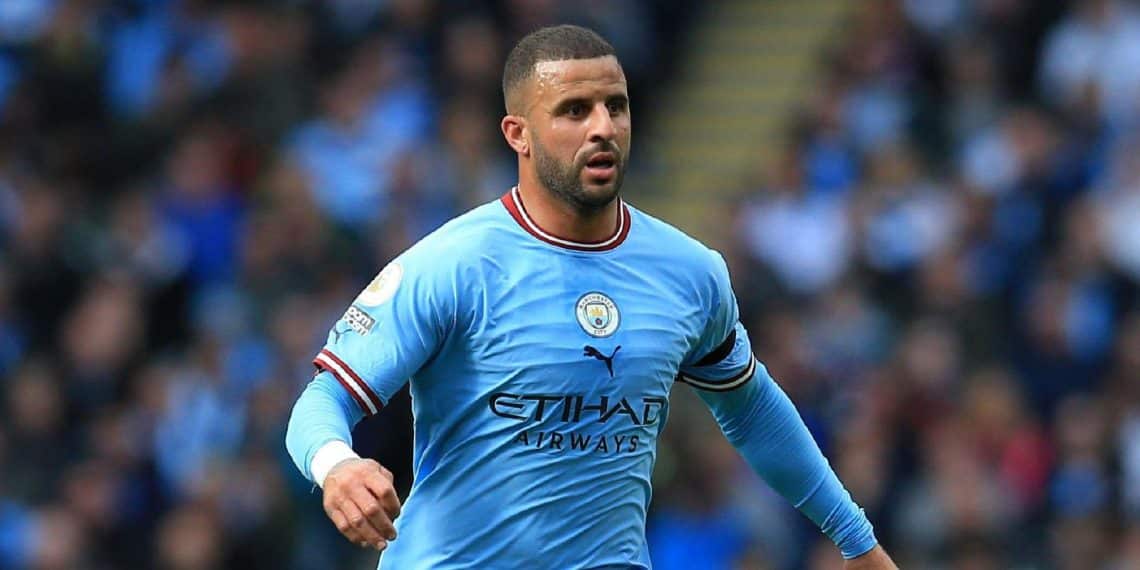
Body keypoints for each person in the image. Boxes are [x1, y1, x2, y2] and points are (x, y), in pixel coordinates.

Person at [285, 25, 897, 569]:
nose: (603, 127)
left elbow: (752, 408)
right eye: (575, 110)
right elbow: (323, 400)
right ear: (517, 133)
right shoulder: (451, 265)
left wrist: (854, 539)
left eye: (616, 106)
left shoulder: (690, 273)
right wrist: (338, 465)